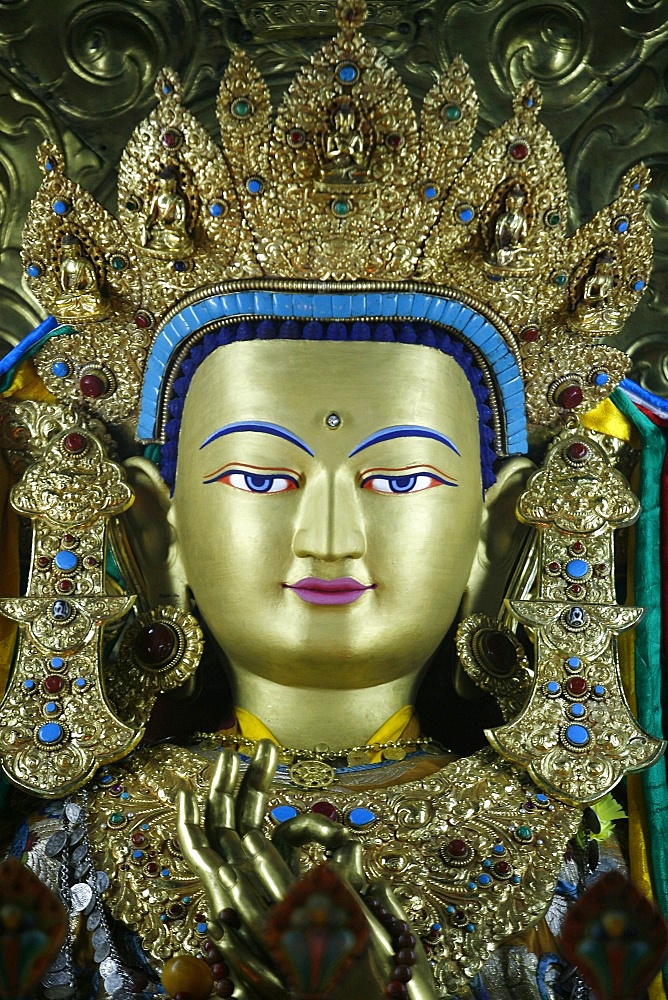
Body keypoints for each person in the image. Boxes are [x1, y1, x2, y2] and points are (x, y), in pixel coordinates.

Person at [1, 2, 665, 997]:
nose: (327, 534)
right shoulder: (75, 859)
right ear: (147, 521)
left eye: (398, 479)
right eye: (261, 477)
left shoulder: (563, 868)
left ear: (499, 523)